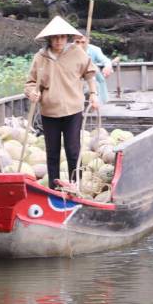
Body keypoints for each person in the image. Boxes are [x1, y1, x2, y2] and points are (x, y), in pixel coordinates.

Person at [24, 16, 99, 191]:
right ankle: (54, 187)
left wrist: (94, 94)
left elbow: (89, 73)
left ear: (67, 37)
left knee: (73, 150)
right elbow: (30, 83)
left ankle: (76, 186)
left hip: (73, 109)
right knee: (52, 152)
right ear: (49, 39)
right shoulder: (40, 57)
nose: (59, 41)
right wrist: (32, 93)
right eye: (55, 37)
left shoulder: (77, 52)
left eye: (62, 37)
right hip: (49, 112)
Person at [74, 33, 113, 107]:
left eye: (83, 42)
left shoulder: (94, 49)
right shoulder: (69, 49)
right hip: (74, 73)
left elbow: (106, 60)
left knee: (97, 81)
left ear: (88, 41)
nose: (80, 45)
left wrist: (107, 66)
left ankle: (97, 101)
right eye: (77, 42)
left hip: (90, 73)